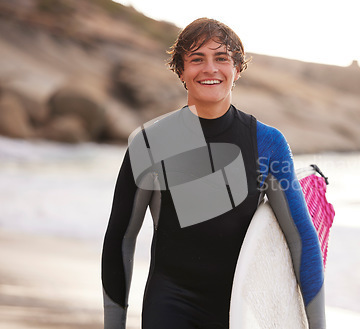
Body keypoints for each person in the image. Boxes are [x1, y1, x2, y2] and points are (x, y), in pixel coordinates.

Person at [101, 18, 325, 329]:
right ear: (181, 71)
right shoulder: (149, 144)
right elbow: (121, 239)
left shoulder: (268, 143)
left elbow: (301, 240)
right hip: (170, 305)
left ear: (237, 70)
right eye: (197, 59)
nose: (210, 69)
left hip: (243, 311)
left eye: (222, 58)